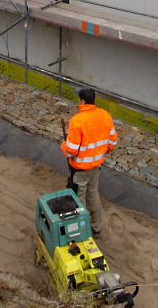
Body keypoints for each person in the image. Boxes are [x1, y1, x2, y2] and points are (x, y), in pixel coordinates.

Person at [61, 86, 117, 238]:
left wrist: (63, 145)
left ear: (83, 101)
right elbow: (113, 141)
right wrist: (99, 153)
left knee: (79, 201)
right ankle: (96, 228)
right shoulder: (104, 115)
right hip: (96, 167)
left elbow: (71, 150)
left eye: (78, 98)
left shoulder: (77, 121)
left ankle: (81, 232)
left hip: (81, 170)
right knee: (93, 196)